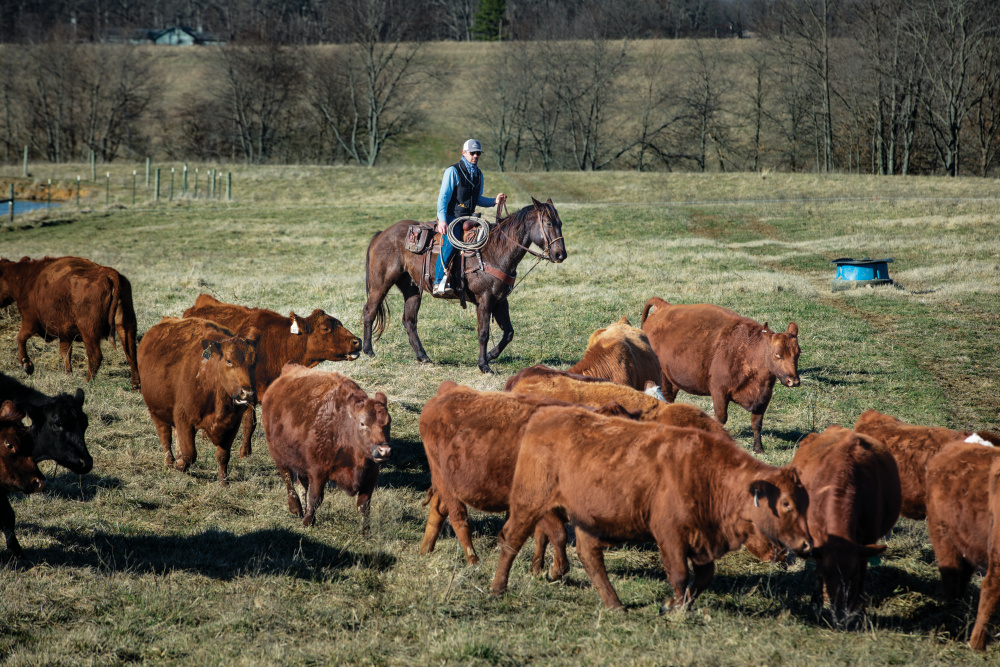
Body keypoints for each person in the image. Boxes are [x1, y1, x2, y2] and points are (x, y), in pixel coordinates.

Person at [433, 139, 506, 295]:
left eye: (478, 153)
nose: (475, 156)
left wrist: (494, 201)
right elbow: (443, 198)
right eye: (472, 153)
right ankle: (438, 282)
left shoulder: (479, 175)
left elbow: (477, 199)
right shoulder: (453, 171)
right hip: (452, 216)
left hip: (469, 217)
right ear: (463, 153)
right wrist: (442, 220)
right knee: (450, 244)